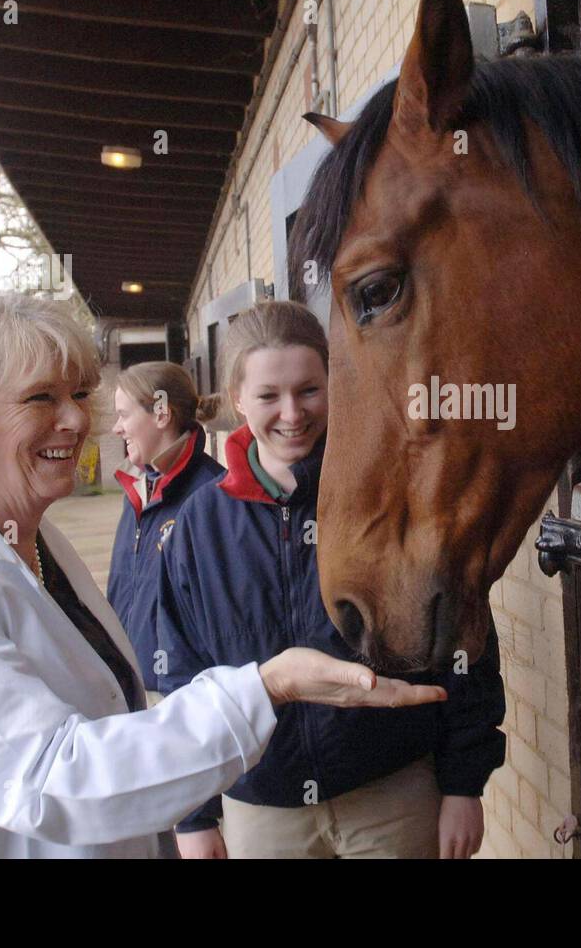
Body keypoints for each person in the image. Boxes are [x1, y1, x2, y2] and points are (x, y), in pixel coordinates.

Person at [0, 290, 446, 859]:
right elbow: (52, 777)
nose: (76, 421)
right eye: (40, 398)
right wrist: (266, 688)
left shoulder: (35, 542)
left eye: (79, 394)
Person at [158, 300, 506, 860]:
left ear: (333, 384)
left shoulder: (395, 497)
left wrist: (464, 782)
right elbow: (182, 668)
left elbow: (461, 639)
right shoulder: (198, 526)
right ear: (236, 398)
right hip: (263, 809)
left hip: (392, 793)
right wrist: (193, 813)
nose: (291, 412)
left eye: (308, 390)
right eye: (269, 395)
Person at [108, 361, 224, 705]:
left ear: (161, 414)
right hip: (132, 692)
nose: (117, 428)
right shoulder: (138, 493)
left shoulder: (212, 499)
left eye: (124, 415)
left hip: (181, 702)